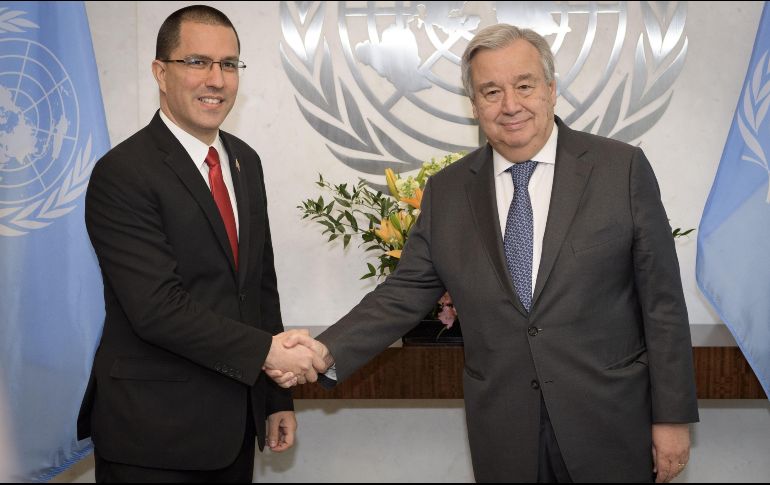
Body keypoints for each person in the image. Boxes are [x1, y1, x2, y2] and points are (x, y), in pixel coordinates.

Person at [271, 24, 699, 483]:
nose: (510, 105)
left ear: (551, 90)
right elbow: (403, 293)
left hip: (610, 423)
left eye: (524, 86)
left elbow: (663, 304)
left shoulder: (621, 169)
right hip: (504, 431)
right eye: (491, 91)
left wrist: (672, 417)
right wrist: (324, 351)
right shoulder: (448, 191)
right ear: (474, 105)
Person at [77, 5, 320, 482]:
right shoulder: (123, 173)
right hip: (152, 437)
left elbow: (259, 288)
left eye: (228, 64)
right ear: (160, 72)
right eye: (196, 62)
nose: (216, 79)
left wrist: (275, 397)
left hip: (234, 429)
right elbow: (156, 308)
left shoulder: (244, 161)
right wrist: (268, 354)